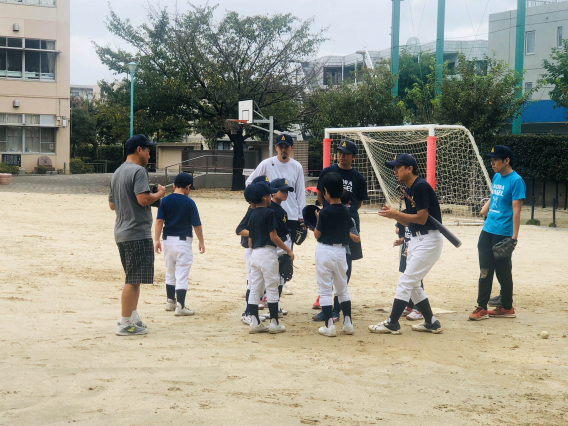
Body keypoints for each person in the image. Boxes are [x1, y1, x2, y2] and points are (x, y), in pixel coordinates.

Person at [368, 153, 443, 335]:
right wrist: (406, 236)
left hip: (429, 239)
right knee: (414, 283)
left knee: (406, 280)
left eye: (398, 167)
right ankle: (431, 322)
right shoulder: (410, 189)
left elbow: (422, 217)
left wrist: (395, 215)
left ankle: (392, 322)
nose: (395, 171)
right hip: (418, 238)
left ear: (409, 168)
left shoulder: (420, 187)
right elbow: (412, 222)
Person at [109, 134, 165, 336]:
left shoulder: (117, 172)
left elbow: (112, 204)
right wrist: (159, 194)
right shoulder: (139, 171)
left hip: (122, 231)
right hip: (137, 232)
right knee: (132, 280)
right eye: (148, 149)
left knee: (135, 277)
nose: (150, 153)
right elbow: (142, 199)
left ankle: (131, 316)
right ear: (139, 150)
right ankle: (125, 323)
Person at [469, 145, 525, 321]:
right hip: (488, 230)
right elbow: (494, 197)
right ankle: (481, 307)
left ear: (506, 160)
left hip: (503, 233)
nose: (492, 163)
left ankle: (507, 307)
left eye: (495, 159)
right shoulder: (497, 177)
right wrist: (484, 210)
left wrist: (514, 237)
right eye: (491, 159)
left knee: (502, 271)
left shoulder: (516, 181)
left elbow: (516, 210)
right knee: (485, 269)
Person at [246, 134, 307, 296]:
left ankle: (282, 282)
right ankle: (261, 283)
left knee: (286, 252)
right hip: (271, 213)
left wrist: (302, 219)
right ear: (276, 148)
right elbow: (250, 182)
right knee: (269, 248)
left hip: (291, 215)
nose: (283, 149)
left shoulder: (297, 166)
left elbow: (300, 193)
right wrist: (259, 197)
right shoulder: (267, 163)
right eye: (281, 146)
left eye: (287, 146)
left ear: (292, 148)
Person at [313, 140, 368, 310]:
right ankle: (325, 299)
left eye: (345, 153)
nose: (341, 155)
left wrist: (345, 213)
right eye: (339, 152)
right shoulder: (328, 172)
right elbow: (321, 196)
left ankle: (338, 302)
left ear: (354, 157)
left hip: (349, 223)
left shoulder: (358, 177)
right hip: (330, 221)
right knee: (327, 260)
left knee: (346, 262)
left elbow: (357, 204)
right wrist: (329, 211)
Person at [246, 183, 295, 334]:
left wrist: (255, 252)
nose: (269, 198)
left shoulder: (252, 213)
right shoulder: (269, 213)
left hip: (255, 253)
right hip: (268, 253)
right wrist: (288, 250)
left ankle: (254, 322)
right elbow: (273, 236)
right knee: (272, 287)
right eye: (268, 195)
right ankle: (274, 323)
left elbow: (250, 238)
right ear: (265, 197)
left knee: (255, 288)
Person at [154, 173, 205, 317]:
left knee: (170, 271)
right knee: (181, 273)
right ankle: (181, 306)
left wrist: (156, 239)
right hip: (183, 241)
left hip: (167, 240)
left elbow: (159, 221)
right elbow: (197, 225)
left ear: (174, 185)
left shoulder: (164, 200)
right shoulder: (189, 202)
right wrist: (201, 241)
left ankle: (170, 301)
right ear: (188, 187)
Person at [313, 173, 354, 337]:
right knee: (342, 289)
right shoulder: (346, 210)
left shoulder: (324, 211)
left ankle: (329, 326)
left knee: (324, 290)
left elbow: (317, 234)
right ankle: (348, 323)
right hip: (340, 252)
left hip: (325, 250)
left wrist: (317, 220)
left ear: (325, 191)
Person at [236, 175, 271, 325]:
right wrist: (257, 233)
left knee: (258, 285)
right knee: (252, 283)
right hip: (251, 250)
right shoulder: (252, 210)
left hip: (257, 249)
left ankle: (253, 312)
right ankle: (247, 313)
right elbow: (239, 229)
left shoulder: (262, 209)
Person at [269, 178, 294, 317]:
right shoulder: (271, 209)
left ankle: (276, 306)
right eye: (282, 190)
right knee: (276, 278)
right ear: (273, 192)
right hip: (277, 246)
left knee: (280, 278)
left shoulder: (280, 209)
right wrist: (287, 250)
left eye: (287, 191)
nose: (285, 193)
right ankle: (272, 307)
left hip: (283, 244)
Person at [394, 223, 424, 321]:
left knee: (416, 278)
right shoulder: (404, 214)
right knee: (407, 276)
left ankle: (419, 309)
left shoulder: (416, 216)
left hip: (415, 250)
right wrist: (401, 239)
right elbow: (400, 231)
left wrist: (413, 250)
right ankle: (409, 305)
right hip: (405, 250)